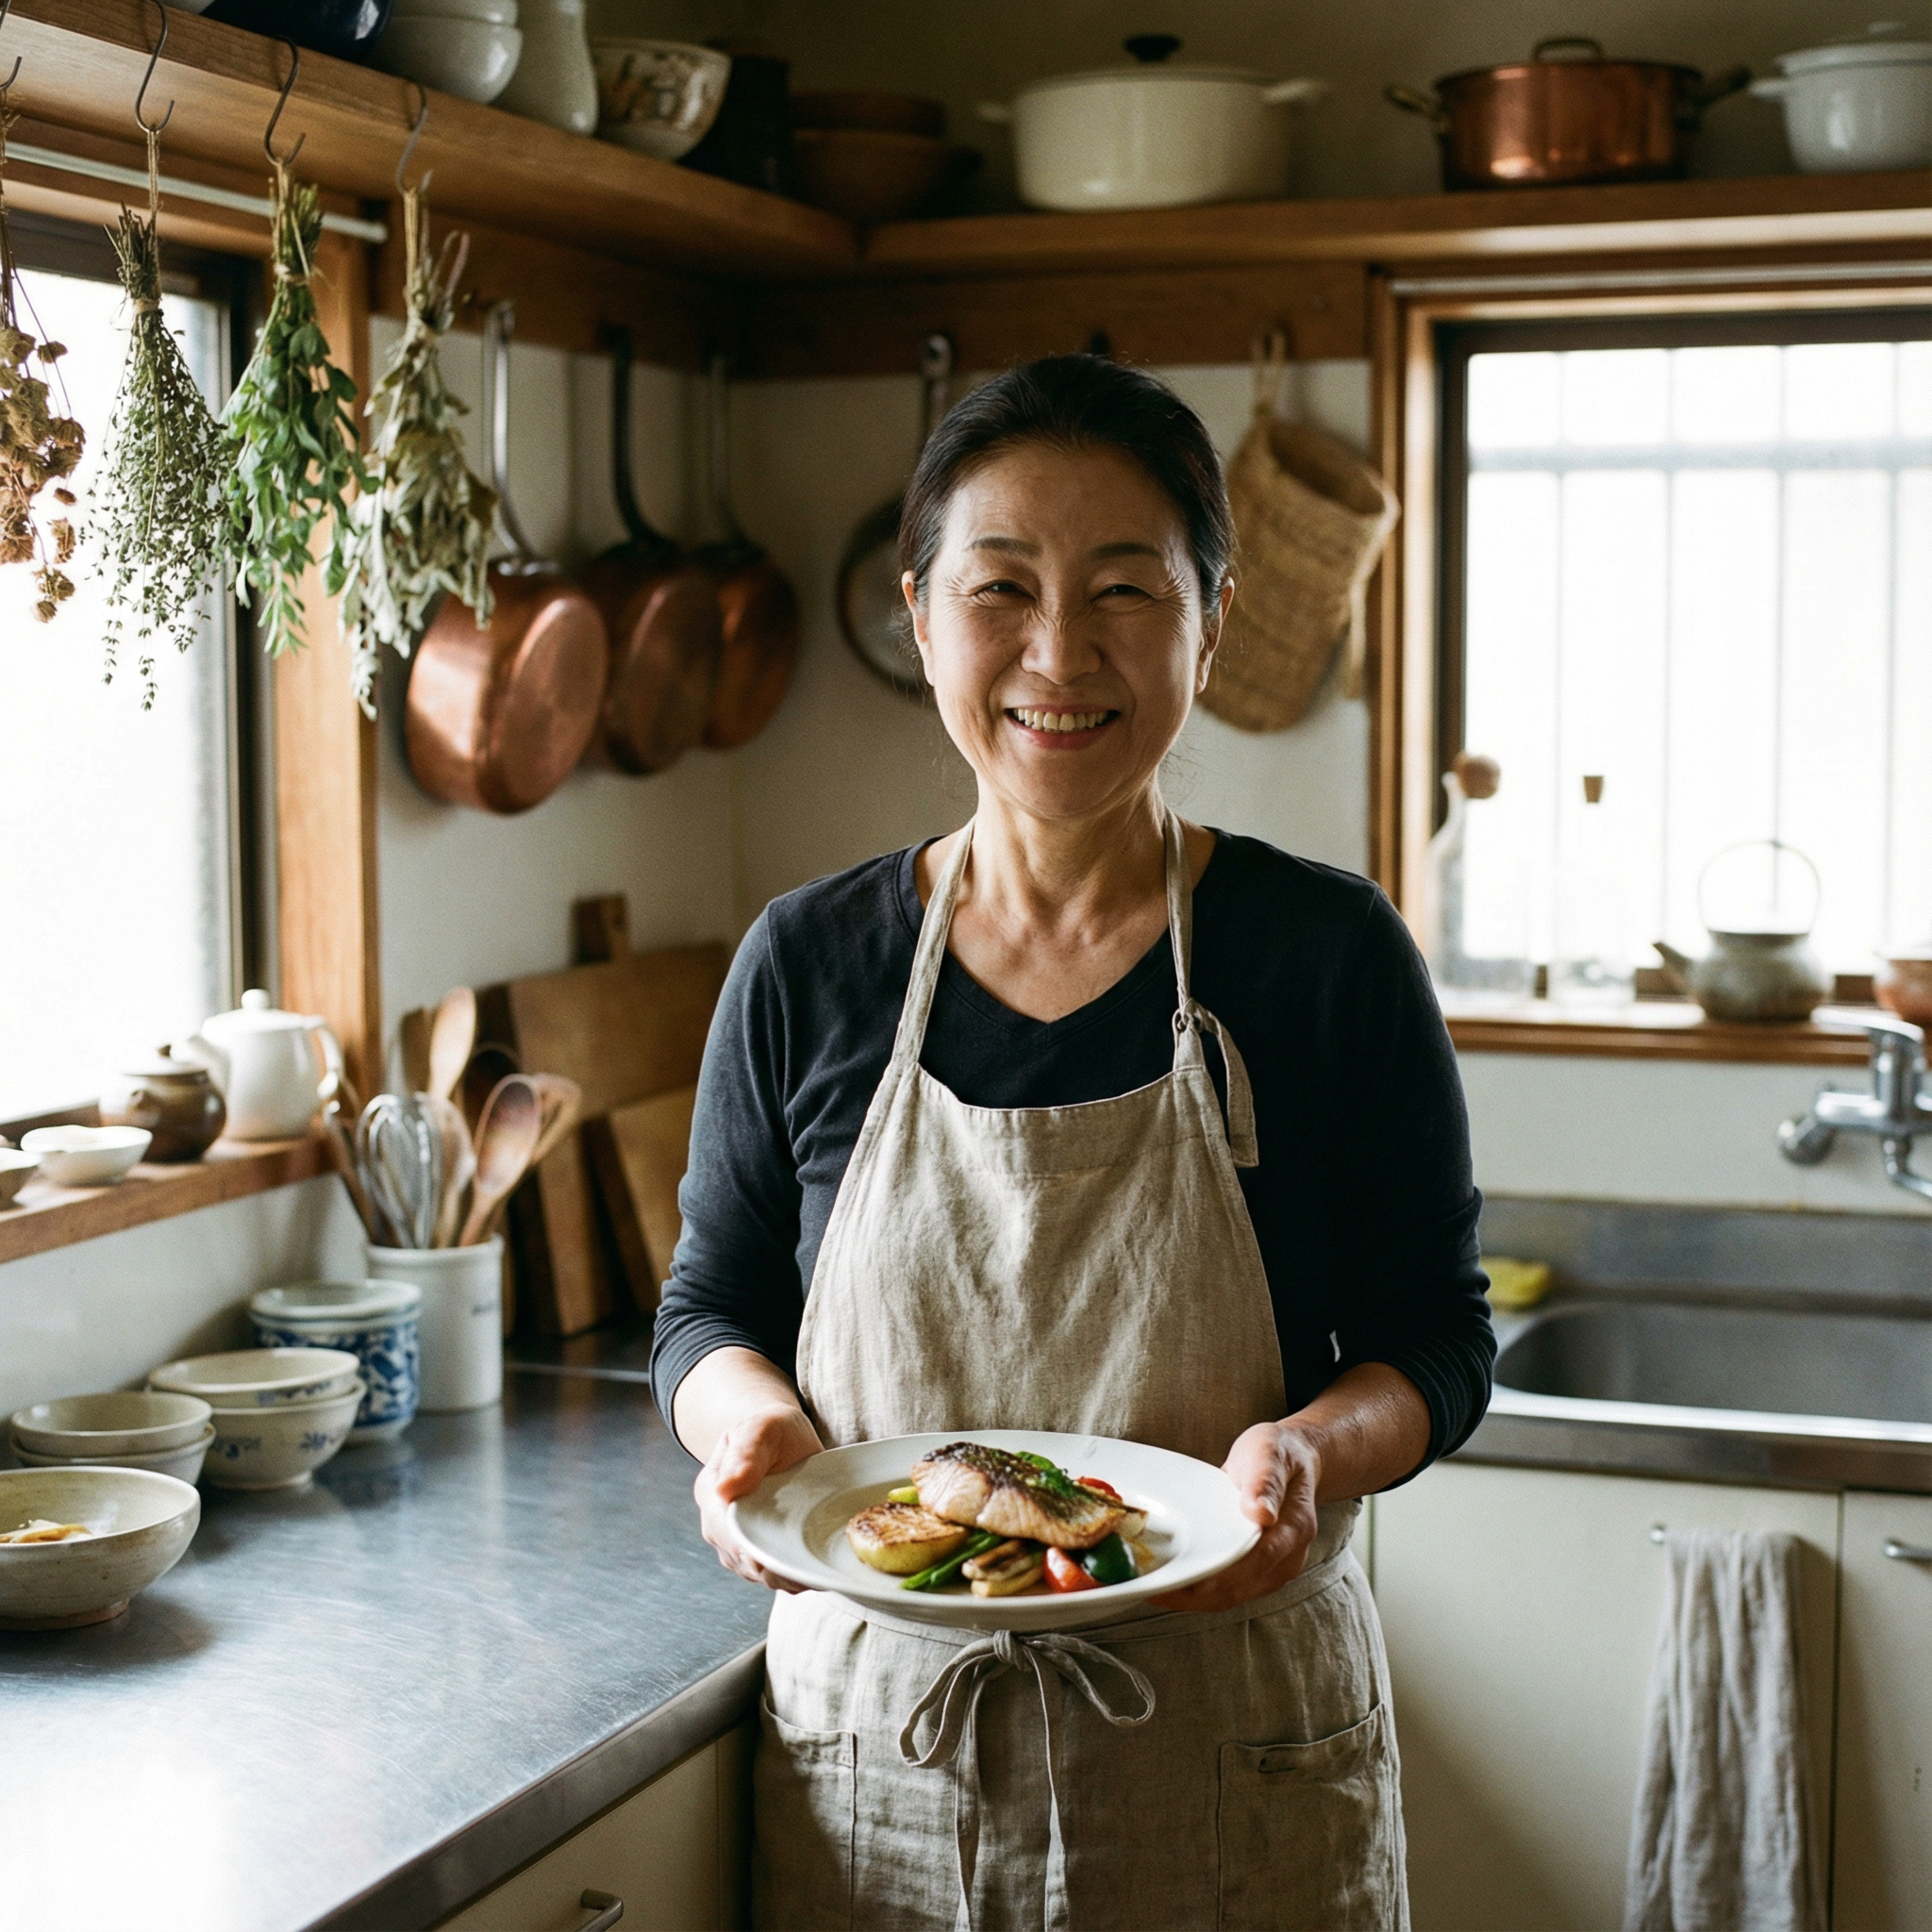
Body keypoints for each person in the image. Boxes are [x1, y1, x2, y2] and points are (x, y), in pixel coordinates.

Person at [652, 354, 1494, 1930]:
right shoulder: (804, 961)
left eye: (1125, 589)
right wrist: (745, 1434)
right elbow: (709, 1310)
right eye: (1003, 589)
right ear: (921, 615)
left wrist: (1310, 1453)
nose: (1059, 652)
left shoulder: (1326, 959)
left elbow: (1437, 1341)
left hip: (1235, 1751)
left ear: (1212, 620)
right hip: (884, 1764)